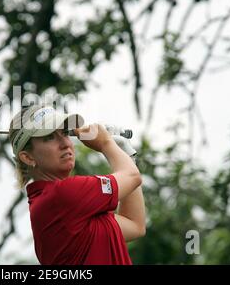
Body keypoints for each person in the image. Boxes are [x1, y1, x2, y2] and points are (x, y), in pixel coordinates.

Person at [8, 104, 146, 265]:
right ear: (28, 157)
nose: (65, 143)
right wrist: (106, 144)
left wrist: (123, 150)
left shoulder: (61, 205)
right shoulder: (62, 195)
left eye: (65, 133)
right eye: (49, 137)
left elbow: (135, 225)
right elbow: (132, 176)